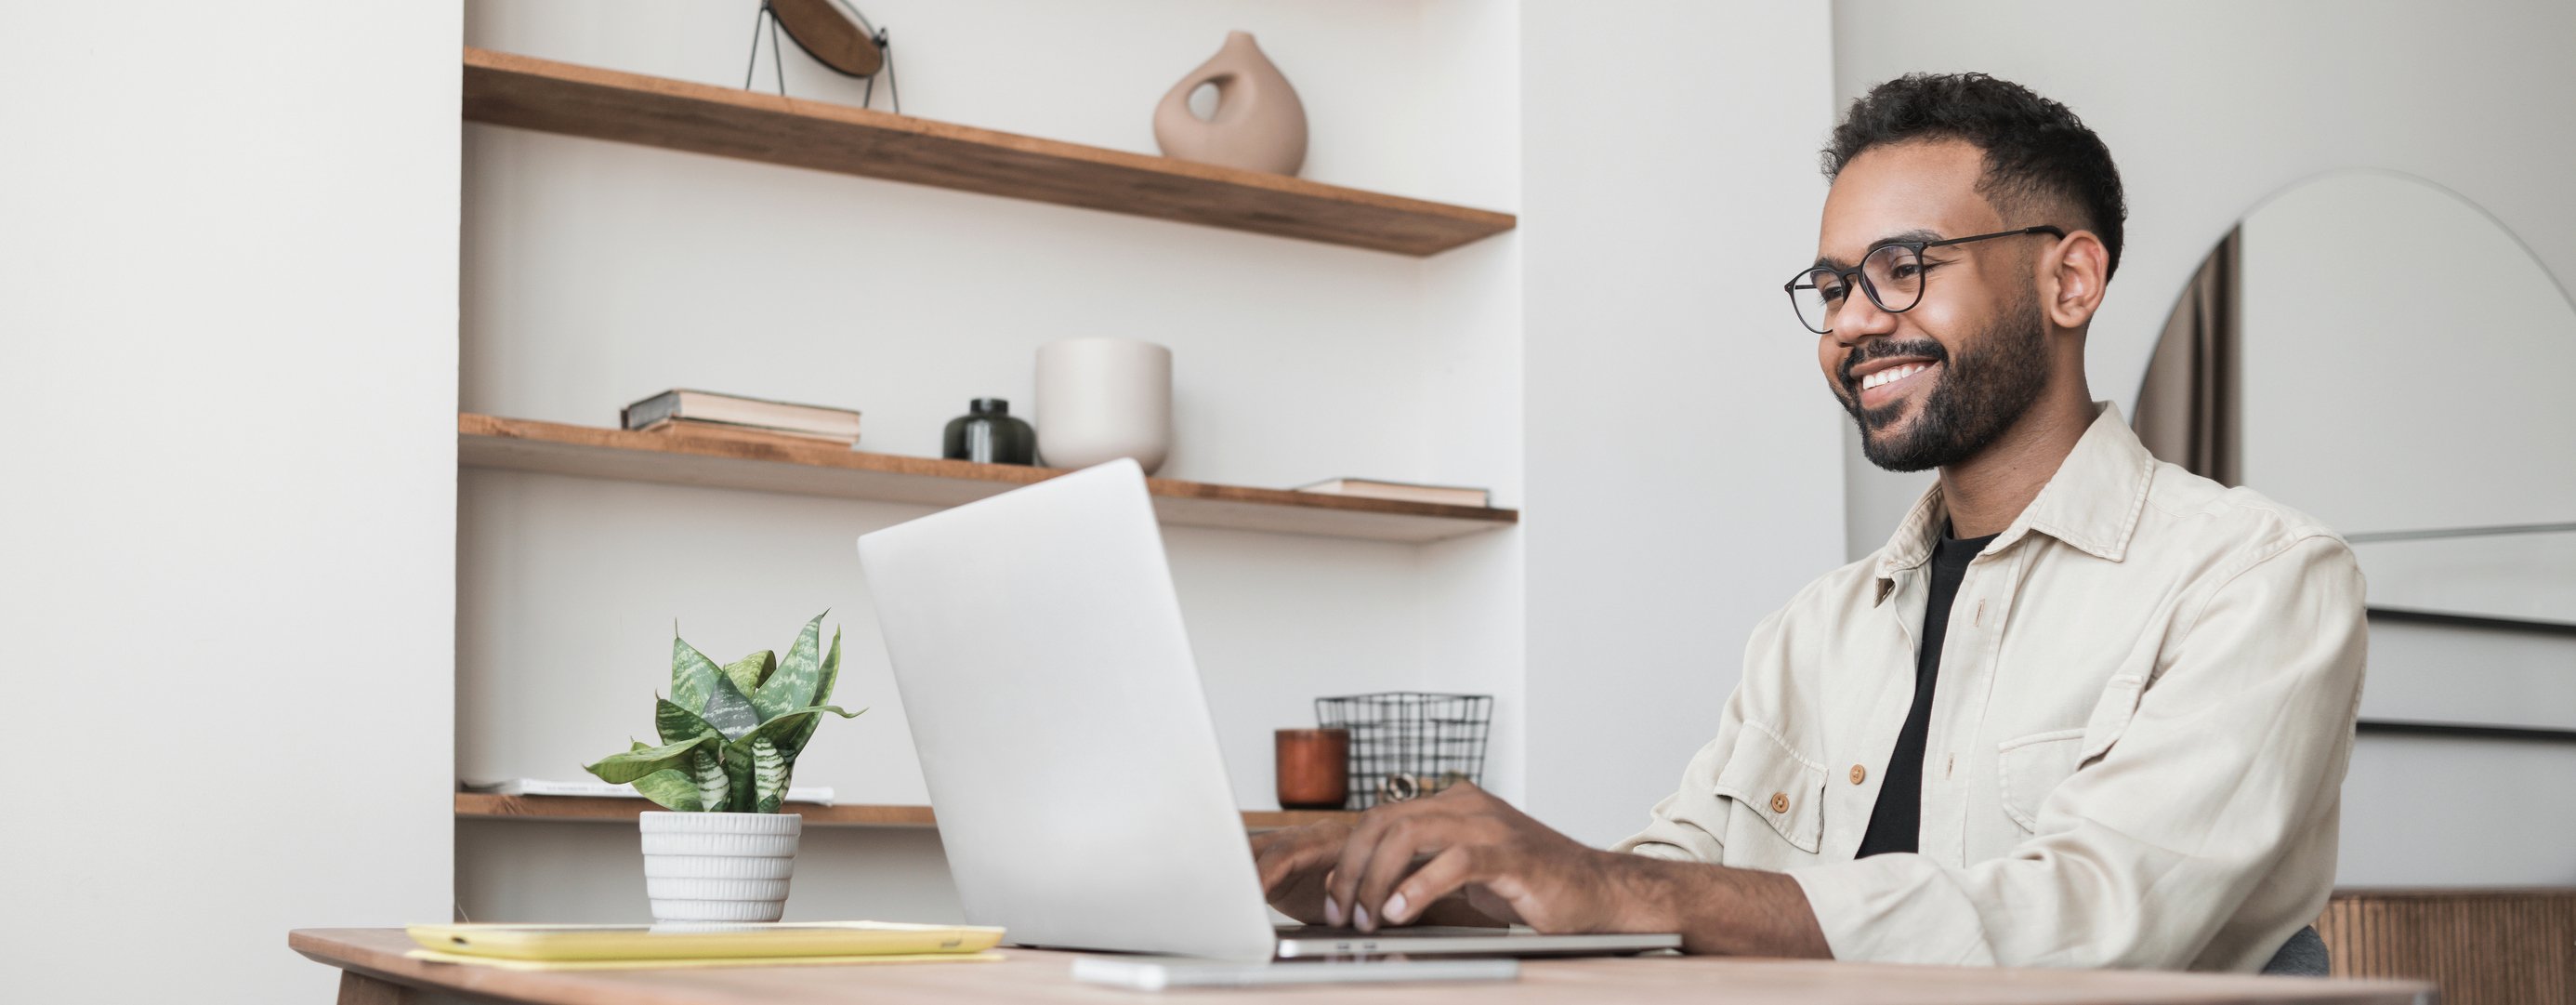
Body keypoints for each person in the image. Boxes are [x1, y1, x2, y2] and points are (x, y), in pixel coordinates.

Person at [1252, 73, 2366, 972]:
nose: (1854, 324)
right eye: (1833, 287)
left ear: (2069, 279)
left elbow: (2095, 916)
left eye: (1904, 269)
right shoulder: (1811, 632)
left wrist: (1625, 887)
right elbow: (1649, 895)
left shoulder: (2256, 580)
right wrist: (1387, 877)